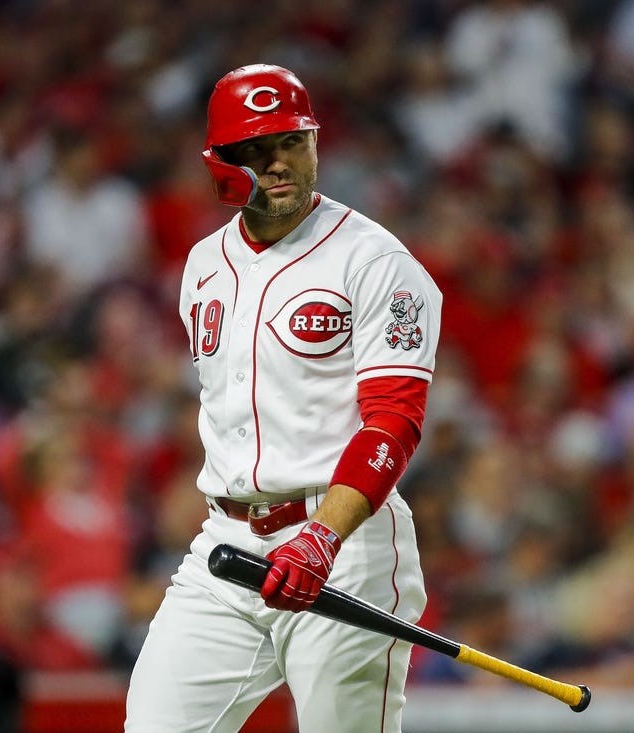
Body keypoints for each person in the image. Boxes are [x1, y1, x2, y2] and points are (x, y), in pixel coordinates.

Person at [125, 64, 443, 733]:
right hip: (228, 545)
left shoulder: (375, 261)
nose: (279, 163)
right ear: (222, 163)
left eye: (293, 142)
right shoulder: (203, 266)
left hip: (344, 548)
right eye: (258, 148)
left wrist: (322, 536)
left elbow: (396, 421)